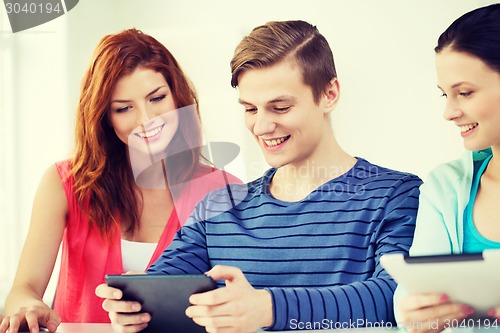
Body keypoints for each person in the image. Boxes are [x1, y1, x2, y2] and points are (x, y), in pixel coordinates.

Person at [96, 20, 422, 333]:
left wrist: (267, 308)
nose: (261, 127)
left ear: (329, 94)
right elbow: (160, 288)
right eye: (250, 109)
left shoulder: (395, 196)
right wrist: (134, 308)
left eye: (280, 107)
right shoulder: (219, 206)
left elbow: (396, 297)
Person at [0, 28, 240, 333]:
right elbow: (24, 289)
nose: (146, 119)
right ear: (103, 116)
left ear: (178, 97)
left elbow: (236, 300)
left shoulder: (224, 192)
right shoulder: (64, 184)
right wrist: (31, 306)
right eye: (124, 108)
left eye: (157, 98)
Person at [395, 3, 500, 333]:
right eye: (445, 94)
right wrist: (412, 314)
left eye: (464, 93)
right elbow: (410, 299)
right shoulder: (445, 187)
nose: (449, 112)